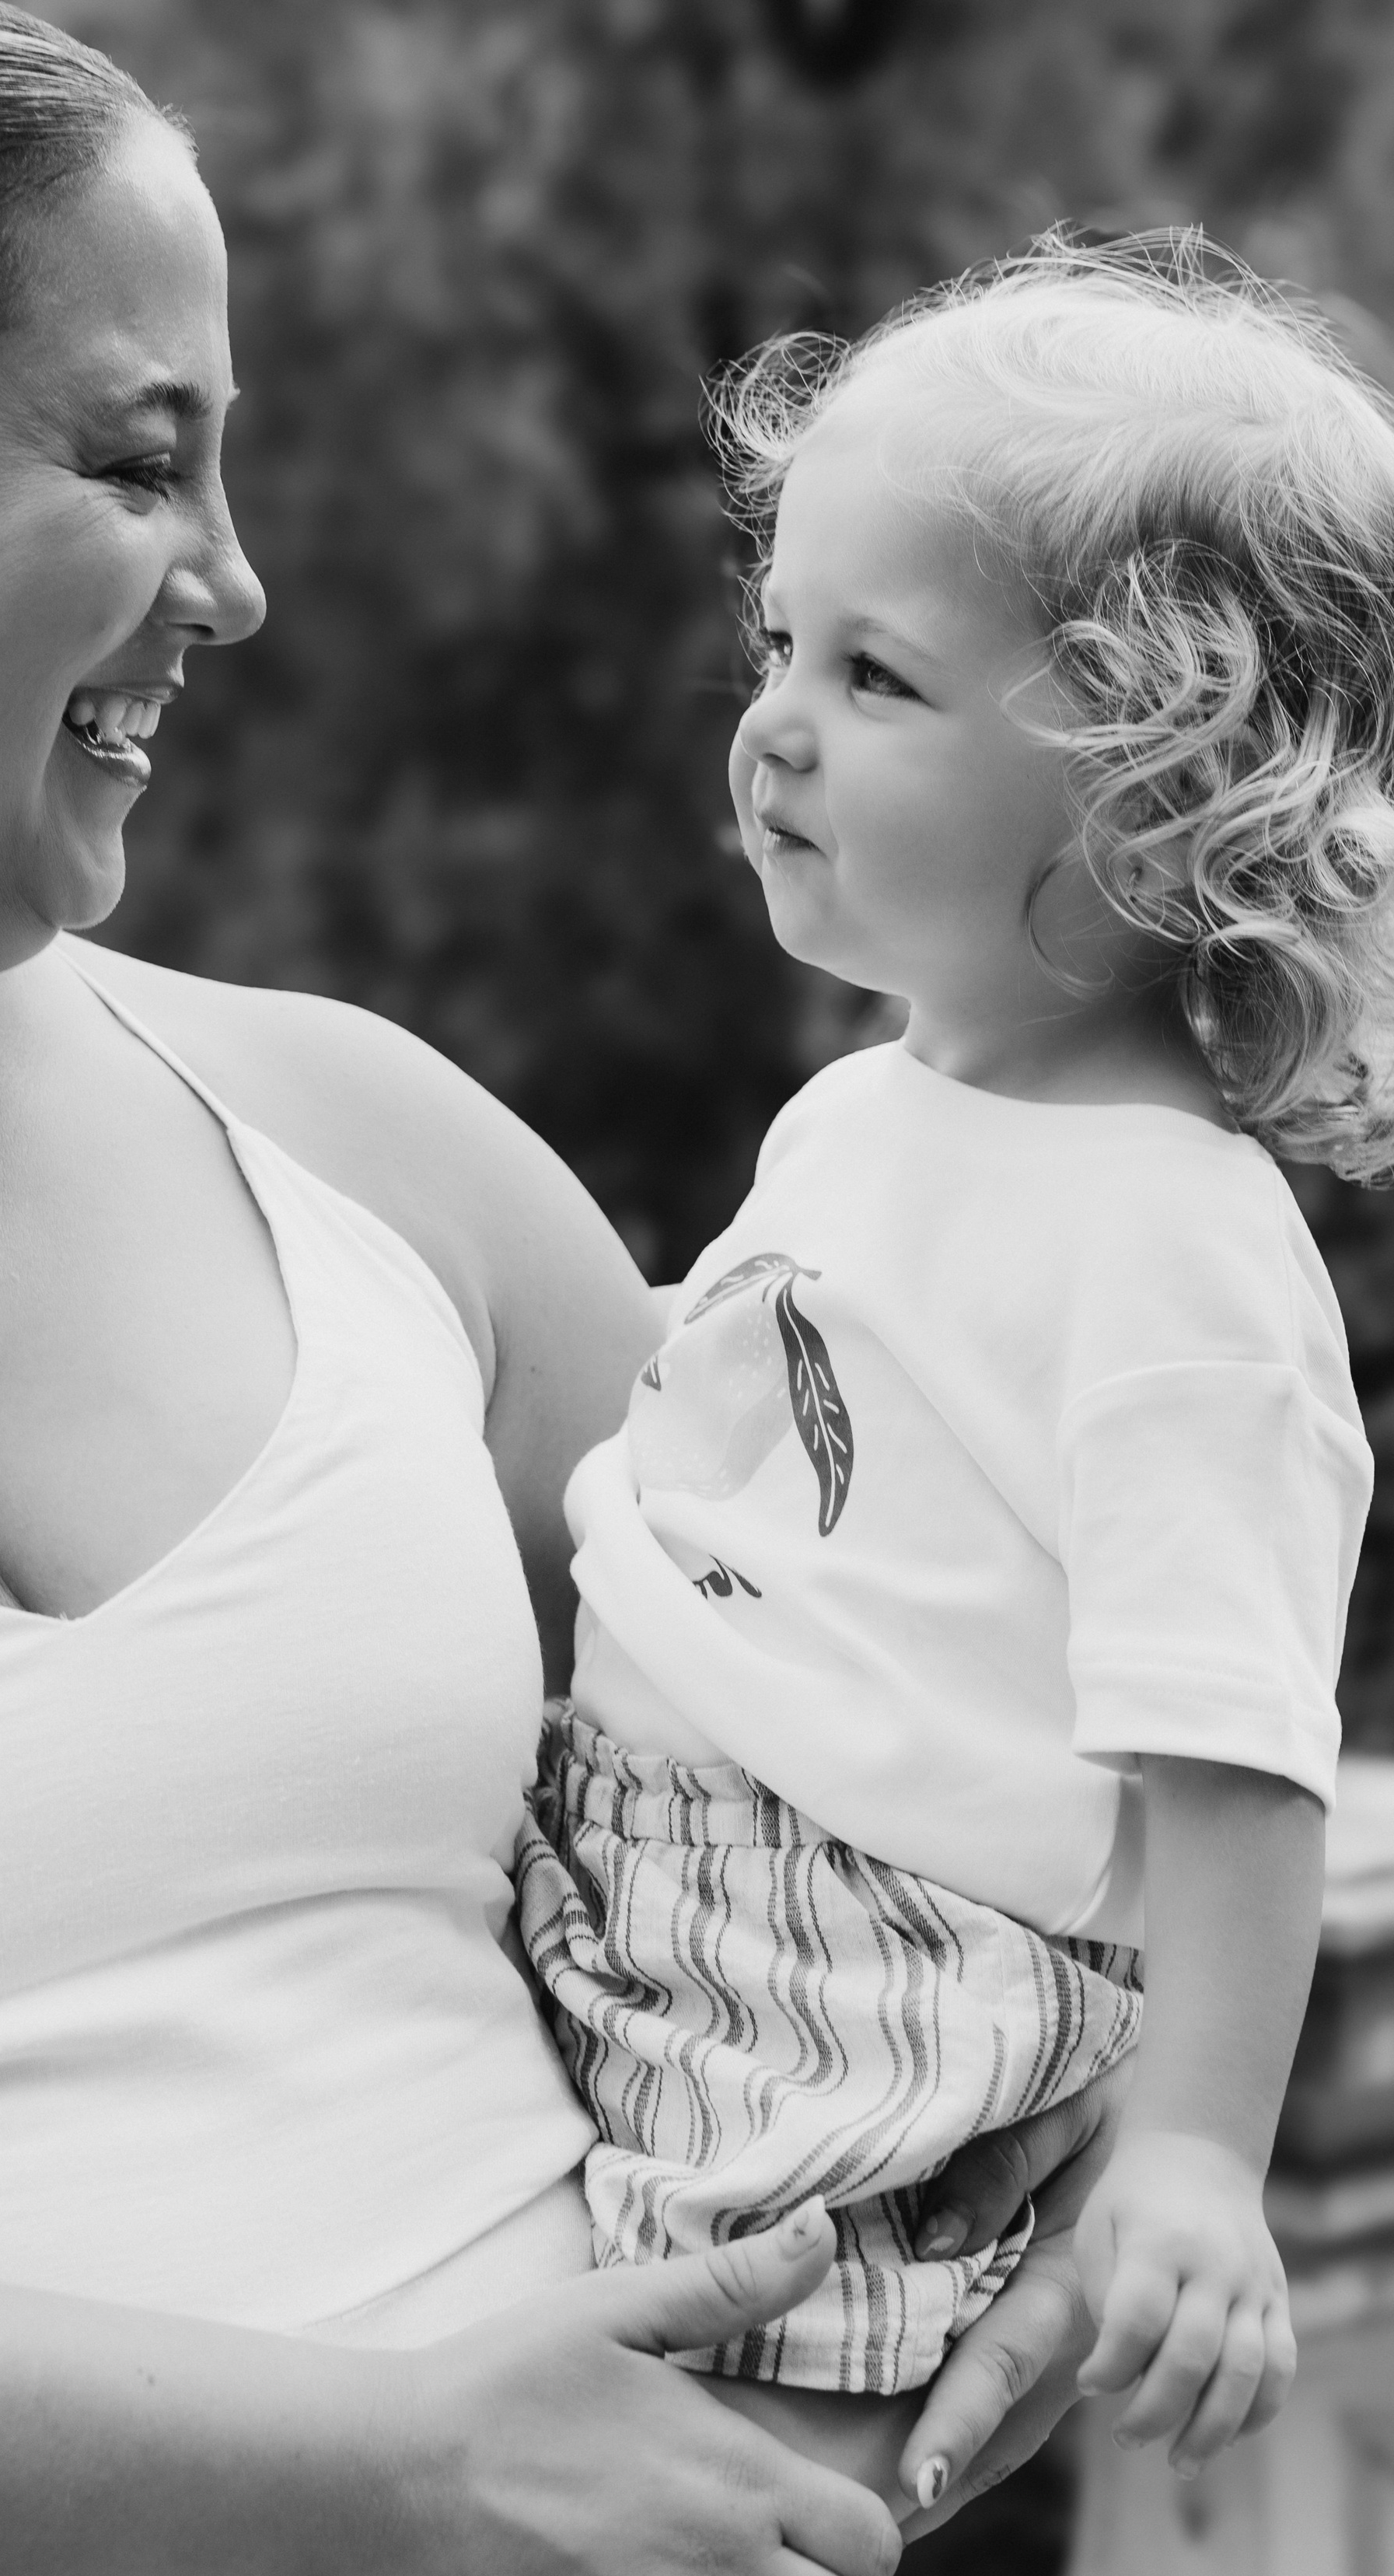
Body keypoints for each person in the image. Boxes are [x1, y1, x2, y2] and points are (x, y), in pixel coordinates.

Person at [0, 5, 1111, 2567]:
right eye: (134, 458)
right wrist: (402, 2480)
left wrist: (1002, 2276)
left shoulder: (362, 1144)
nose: (237, 579)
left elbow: (929, 1772)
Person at [515, 230, 1382, 2506]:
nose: (775, 719)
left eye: (881, 675)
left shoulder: (1173, 1246)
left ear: (1166, 783)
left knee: (718, 2471)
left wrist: (1189, 2153)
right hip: (649, 1879)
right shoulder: (873, 1107)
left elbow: (1235, 1759)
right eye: (777, 640)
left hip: (857, 1968)